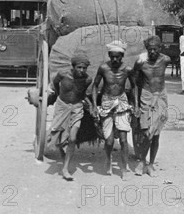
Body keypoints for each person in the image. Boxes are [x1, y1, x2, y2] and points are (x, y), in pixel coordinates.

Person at [92, 40, 137, 180]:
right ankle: (108, 158)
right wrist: (94, 105)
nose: (115, 59)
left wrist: (136, 105)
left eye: (118, 57)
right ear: (109, 55)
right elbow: (95, 86)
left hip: (122, 103)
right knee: (109, 141)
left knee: (123, 140)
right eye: (112, 56)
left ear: (122, 56)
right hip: (106, 102)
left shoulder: (128, 70)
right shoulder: (104, 68)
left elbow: (134, 87)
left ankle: (124, 169)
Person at [48, 52, 93, 180]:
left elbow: (82, 93)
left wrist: (90, 104)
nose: (82, 70)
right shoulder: (63, 75)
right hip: (62, 107)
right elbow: (55, 84)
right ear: (73, 67)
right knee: (58, 137)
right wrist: (59, 95)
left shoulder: (87, 80)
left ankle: (65, 168)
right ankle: (63, 154)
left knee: (72, 138)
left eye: (84, 68)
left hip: (77, 108)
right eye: (79, 67)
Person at [133, 35, 170, 177]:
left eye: (155, 49)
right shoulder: (141, 62)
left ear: (160, 48)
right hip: (146, 96)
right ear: (146, 49)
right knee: (146, 132)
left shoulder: (165, 60)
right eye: (150, 49)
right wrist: (136, 104)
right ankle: (142, 160)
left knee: (156, 134)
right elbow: (136, 84)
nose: (152, 52)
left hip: (160, 96)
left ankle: (150, 164)